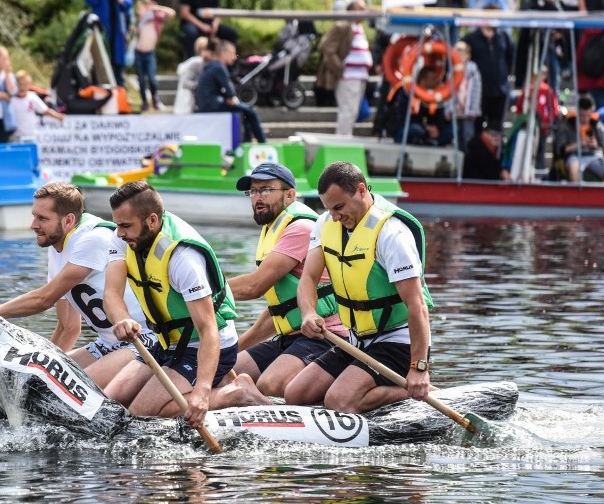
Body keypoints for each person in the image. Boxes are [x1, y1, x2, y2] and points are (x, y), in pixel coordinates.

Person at [0, 182, 158, 392]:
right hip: (106, 343)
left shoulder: (92, 239)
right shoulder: (56, 244)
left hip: (143, 340)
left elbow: (44, 299)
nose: (33, 225)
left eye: (43, 219)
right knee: (38, 386)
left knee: (68, 391)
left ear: (68, 220)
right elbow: (68, 327)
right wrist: (38, 371)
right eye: (34, 216)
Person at [103, 181, 267, 427]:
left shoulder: (183, 258)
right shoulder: (125, 238)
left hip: (207, 345)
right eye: (117, 225)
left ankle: (237, 393)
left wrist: (201, 392)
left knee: (141, 416)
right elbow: (111, 293)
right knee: (110, 405)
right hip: (166, 343)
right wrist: (122, 319)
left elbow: (208, 329)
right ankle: (220, 383)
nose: (119, 233)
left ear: (152, 220)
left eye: (126, 226)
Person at [285, 161, 434, 413]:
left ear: (362, 190)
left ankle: (415, 391)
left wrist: (418, 368)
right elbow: (308, 279)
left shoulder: (392, 234)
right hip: (356, 339)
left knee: (339, 401)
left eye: (339, 207)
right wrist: (309, 312)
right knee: (296, 394)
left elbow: (417, 306)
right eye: (329, 209)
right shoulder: (326, 223)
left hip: (398, 341)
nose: (334, 216)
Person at [226, 162, 347, 397]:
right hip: (291, 336)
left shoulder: (300, 227)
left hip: (326, 336)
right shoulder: (273, 228)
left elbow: (254, 286)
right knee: (224, 372)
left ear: (290, 195)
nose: (257, 198)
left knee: (269, 385)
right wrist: (231, 351)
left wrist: (200, 291)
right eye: (252, 191)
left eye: (265, 190)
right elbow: (279, 310)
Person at [316, 0, 372, 136]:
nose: (364, 12)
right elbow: (326, 47)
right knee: (347, 111)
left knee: (353, 112)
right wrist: (340, 69)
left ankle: (346, 138)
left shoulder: (359, 28)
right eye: (361, 9)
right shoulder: (343, 26)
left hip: (360, 76)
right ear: (351, 11)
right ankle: (342, 141)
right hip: (348, 76)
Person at [195, 39, 266, 143]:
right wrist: (230, 97)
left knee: (245, 112)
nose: (234, 57)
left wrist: (228, 97)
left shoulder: (212, 65)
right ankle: (262, 142)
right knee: (251, 112)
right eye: (232, 53)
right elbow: (229, 89)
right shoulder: (219, 67)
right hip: (212, 105)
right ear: (224, 53)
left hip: (208, 103)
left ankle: (247, 141)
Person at [463, 14, 514, 132]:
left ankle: (496, 150)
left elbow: (510, 57)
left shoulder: (503, 37)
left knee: (496, 127)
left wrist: (506, 75)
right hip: (479, 92)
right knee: (477, 126)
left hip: (499, 90)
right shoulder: (471, 38)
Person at [392, 67, 454, 147]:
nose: (437, 81)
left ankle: (432, 142)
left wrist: (436, 127)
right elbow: (404, 117)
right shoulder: (407, 93)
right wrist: (425, 127)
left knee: (450, 131)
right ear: (423, 80)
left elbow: (439, 116)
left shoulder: (435, 96)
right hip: (409, 127)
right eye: (433, 79)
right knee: (416, 130)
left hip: (429, 130)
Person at [133, 0, 175, 111]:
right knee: (141, 80)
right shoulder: (140, 21)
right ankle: (144, 102)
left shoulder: (157, 18)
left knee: (152, 78)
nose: (139, 11)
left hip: (150, 53)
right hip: (138, 53)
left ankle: (154, 98)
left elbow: (172, 13)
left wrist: (156, 8)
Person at [555, 94, 604, 182]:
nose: (585, 118)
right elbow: (560, 150)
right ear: (577, 112)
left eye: (588, 115)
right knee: (574, 167)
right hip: (574, 156)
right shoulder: (567, 125)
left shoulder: (596, 125)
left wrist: (596, 145)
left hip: (594, 156)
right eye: (582, 115)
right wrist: (579, 143)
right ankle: (577, 194)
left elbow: (602, 144)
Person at [85, 0, 133, 87]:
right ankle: (99, 92)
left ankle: (120, 93)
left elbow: (128, 4)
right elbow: (90, 1)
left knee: (118, 66)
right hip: (102, 31)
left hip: (117, 33)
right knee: (99, 63)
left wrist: (121, 0)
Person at [10, 70, 66, 142]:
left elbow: (45, 110)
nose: (22, 87)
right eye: (20, 84)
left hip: (30, 135)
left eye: (25, 84)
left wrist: (58, 116)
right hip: (15, 136)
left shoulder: (32, 97)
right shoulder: (11, 99)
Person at [451, 41, 482, 152]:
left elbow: (476, 92)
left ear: (468, 55)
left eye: (461, 52)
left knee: (468, 137)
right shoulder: (451, 70)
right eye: (456, 51)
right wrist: (448, 110)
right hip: (455, 111)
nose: (458, 55)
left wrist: (474, 109)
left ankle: (467, 164)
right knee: (456, 136)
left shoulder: (473, 71)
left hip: (468, 111)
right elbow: (448, 91)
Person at [173, 36, 208, 115]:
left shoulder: (192, 62)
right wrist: (201, 84)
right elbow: (186, 83)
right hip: (188, 100)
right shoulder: (197, 63)